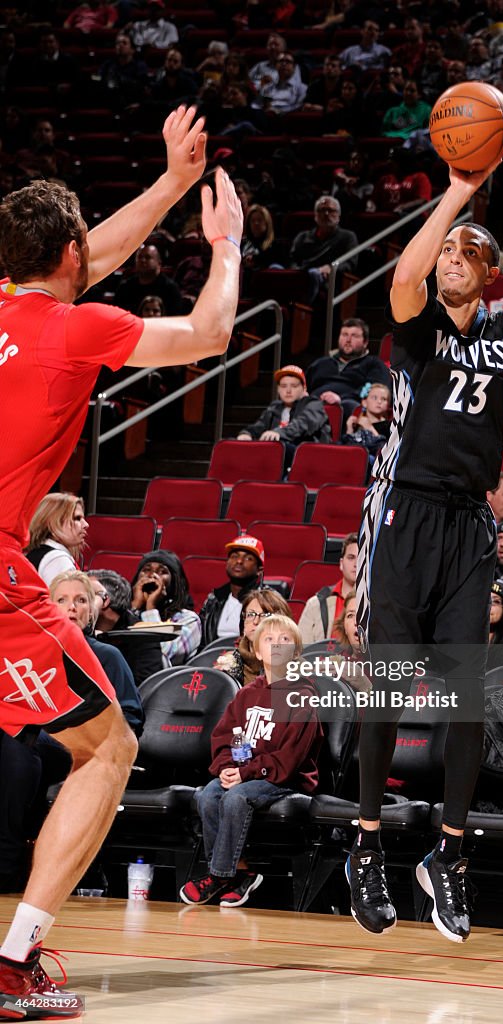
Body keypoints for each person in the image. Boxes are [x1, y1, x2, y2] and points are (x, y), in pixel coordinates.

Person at [0, 102, 243, 1018]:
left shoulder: (6, 307)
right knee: (108, 746)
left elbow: (77, 255)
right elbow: (210, 333)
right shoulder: (78, 328)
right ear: (69, 259)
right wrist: (222, 243)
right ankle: (14, 959)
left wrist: (174, 182)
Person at [349, 157, 503, 943]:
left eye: (465, 252)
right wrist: (458, 195)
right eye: (446, 253)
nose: (449, 260)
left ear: (488, 272)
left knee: (466, 695)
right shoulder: (420, 327)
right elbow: (404, 275)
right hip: (406, 513)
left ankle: (450, 856)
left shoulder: (502, 337)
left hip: (468, 524)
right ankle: (367, 845)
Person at [179, 614, 322, 907]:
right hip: (247, 773)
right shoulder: (247, 695)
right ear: (257, 651)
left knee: (237, 798)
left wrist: (247, 773)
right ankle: (240, 873)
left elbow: (290, 756)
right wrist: (228, 768)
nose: (276, 645)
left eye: (285, 640)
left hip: (285, 778)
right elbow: (227, 737)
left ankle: (218, 875)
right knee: (209, 795)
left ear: (296, 653)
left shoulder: (302, 696)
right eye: (269, 639)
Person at [50, 571, 144, 735]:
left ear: (91, 611)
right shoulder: (36, 655)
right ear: (49, 609)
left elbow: (131, 717)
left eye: (81, 600)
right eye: (61, 600)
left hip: (94, 745)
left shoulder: (108, 656)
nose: (72, 607)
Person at [236, 365, 331, 466]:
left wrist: (279, 433)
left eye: (294, 386)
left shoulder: (314, 404)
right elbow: (260, 426)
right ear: (278, 389)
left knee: (277, 448)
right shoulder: (275, 407)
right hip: (276, 452)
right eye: (283, 386)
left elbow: (302, 425)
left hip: (306, 454)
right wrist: (247, 434)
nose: (288, 390)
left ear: (304, 389)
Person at [87, 567, 164, 687]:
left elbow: (143, 687)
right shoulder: (78, 630)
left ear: (104, 600)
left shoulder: (143, 636)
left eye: (83, 597)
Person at [306, 318, 391, 420]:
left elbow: (378, 391)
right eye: (344, 335)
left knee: (350, 406)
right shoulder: (321, 363)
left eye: (354, 336)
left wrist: (339, 398)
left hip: (348, 404)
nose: (348, 340)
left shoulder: (373, 364)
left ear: (365, 342)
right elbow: (303, 386)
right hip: (315, 401)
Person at [130, 550, 202, 665]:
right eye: (146, 570)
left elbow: (163, 654)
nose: (152, 575)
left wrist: (151, 609)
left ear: (174, 581)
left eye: (162, 572)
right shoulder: (128, 611)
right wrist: (134, 607)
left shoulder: (188, 619)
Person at [288, 196, 359, 303]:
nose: (326, 214)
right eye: (321, 210)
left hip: (329, 281)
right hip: (303, 275)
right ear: (315, 215)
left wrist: (332, 268)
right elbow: (292, 260)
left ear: (338, 214)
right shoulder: (303, 237)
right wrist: (297, 271)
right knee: (274, 268)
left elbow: (350, 263)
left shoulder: (348, 237)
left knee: (314, 274)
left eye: (330, 210)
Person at [200, 535, 265, 646]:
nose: (239, 561)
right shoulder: (214, 599)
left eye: (248, 558)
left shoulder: (267, 601)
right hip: (211, 659)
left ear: (259, 570)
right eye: (234, 556)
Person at [299, 532, 358, 644]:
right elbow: (300, 651)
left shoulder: (377, 604)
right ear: (341, 563)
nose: (356, 564)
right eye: (351, 558)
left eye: (362, 558)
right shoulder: (315, 604)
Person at [25, 493, 89, 585]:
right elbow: (69, 598)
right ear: (54, 523)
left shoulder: (38, 553)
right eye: (77, 518)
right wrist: (101, 596)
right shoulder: (58, 559)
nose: (86, 525)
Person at [113, 243, 184, 316]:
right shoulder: (125, 287)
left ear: (159, 263)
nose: (143, 260)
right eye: (139, 257)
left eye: (148, 257)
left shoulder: (170, 289)